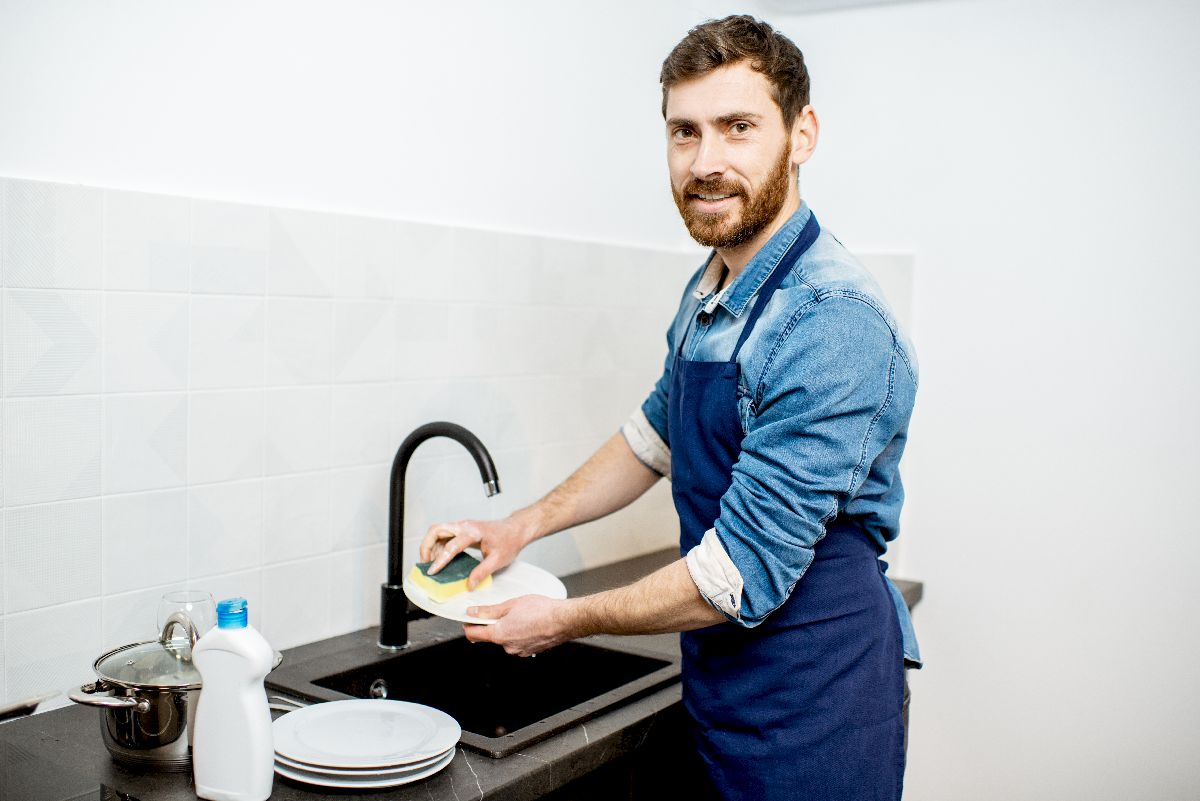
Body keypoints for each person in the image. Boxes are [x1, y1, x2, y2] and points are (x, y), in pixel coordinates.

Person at [420, 14, 921, 801]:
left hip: (816, 697)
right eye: (684, 132)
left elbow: (735, 576)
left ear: (802, 133)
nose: (707, 161)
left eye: (738, 127)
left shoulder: (832, 321)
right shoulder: (712, 285)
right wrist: (522, 525)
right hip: (725, 678)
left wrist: (559, 619)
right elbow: (654, 435)